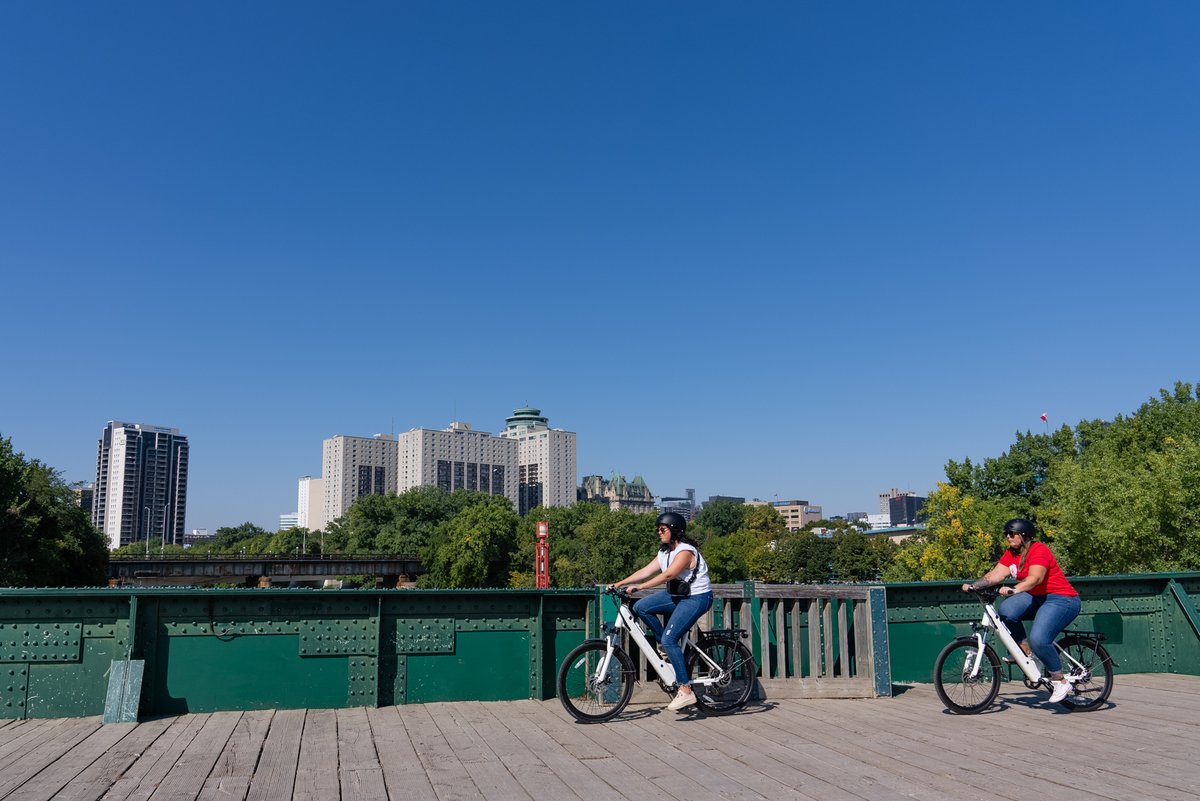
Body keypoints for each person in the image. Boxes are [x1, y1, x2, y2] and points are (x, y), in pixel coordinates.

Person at [962, 518, 1081, 703]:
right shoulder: (1011, 553)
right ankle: (1024, 650)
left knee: (1039, 639)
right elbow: (995, 575)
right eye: (1006, 534)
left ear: (1024, 535)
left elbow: (1035, 578)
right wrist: (974, 586)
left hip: (1061, 598)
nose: (1008, 537)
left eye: (1012, 534)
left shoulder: (1039, 550)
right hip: (1036, 597)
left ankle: (1060, 680)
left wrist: (1014, 590)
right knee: (1006, 610)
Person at [608, 511, 714, 712]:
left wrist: (639, 587)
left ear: (675, 530)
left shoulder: (685, 551)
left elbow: (668, 575)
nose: (659, 532)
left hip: (697, 598)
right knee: (641, 607)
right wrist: (619, 583)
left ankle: (685, 689)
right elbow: (646, 571)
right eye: (658, 529)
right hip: (678, 595)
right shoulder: (664, 552)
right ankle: (663, 645)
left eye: (662, 529)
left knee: (670, 638)